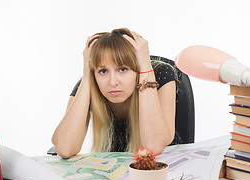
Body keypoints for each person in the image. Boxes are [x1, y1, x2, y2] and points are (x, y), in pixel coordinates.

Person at [52, 28, 180, 158]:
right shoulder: (90, 83)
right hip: (113, 174)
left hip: (166, 168)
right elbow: (64, 148)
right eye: (103, 71)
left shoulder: (160, 74)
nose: (113, 82)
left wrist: (145, 69)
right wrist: (87, 76)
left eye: (123, 69)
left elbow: (153, 146)